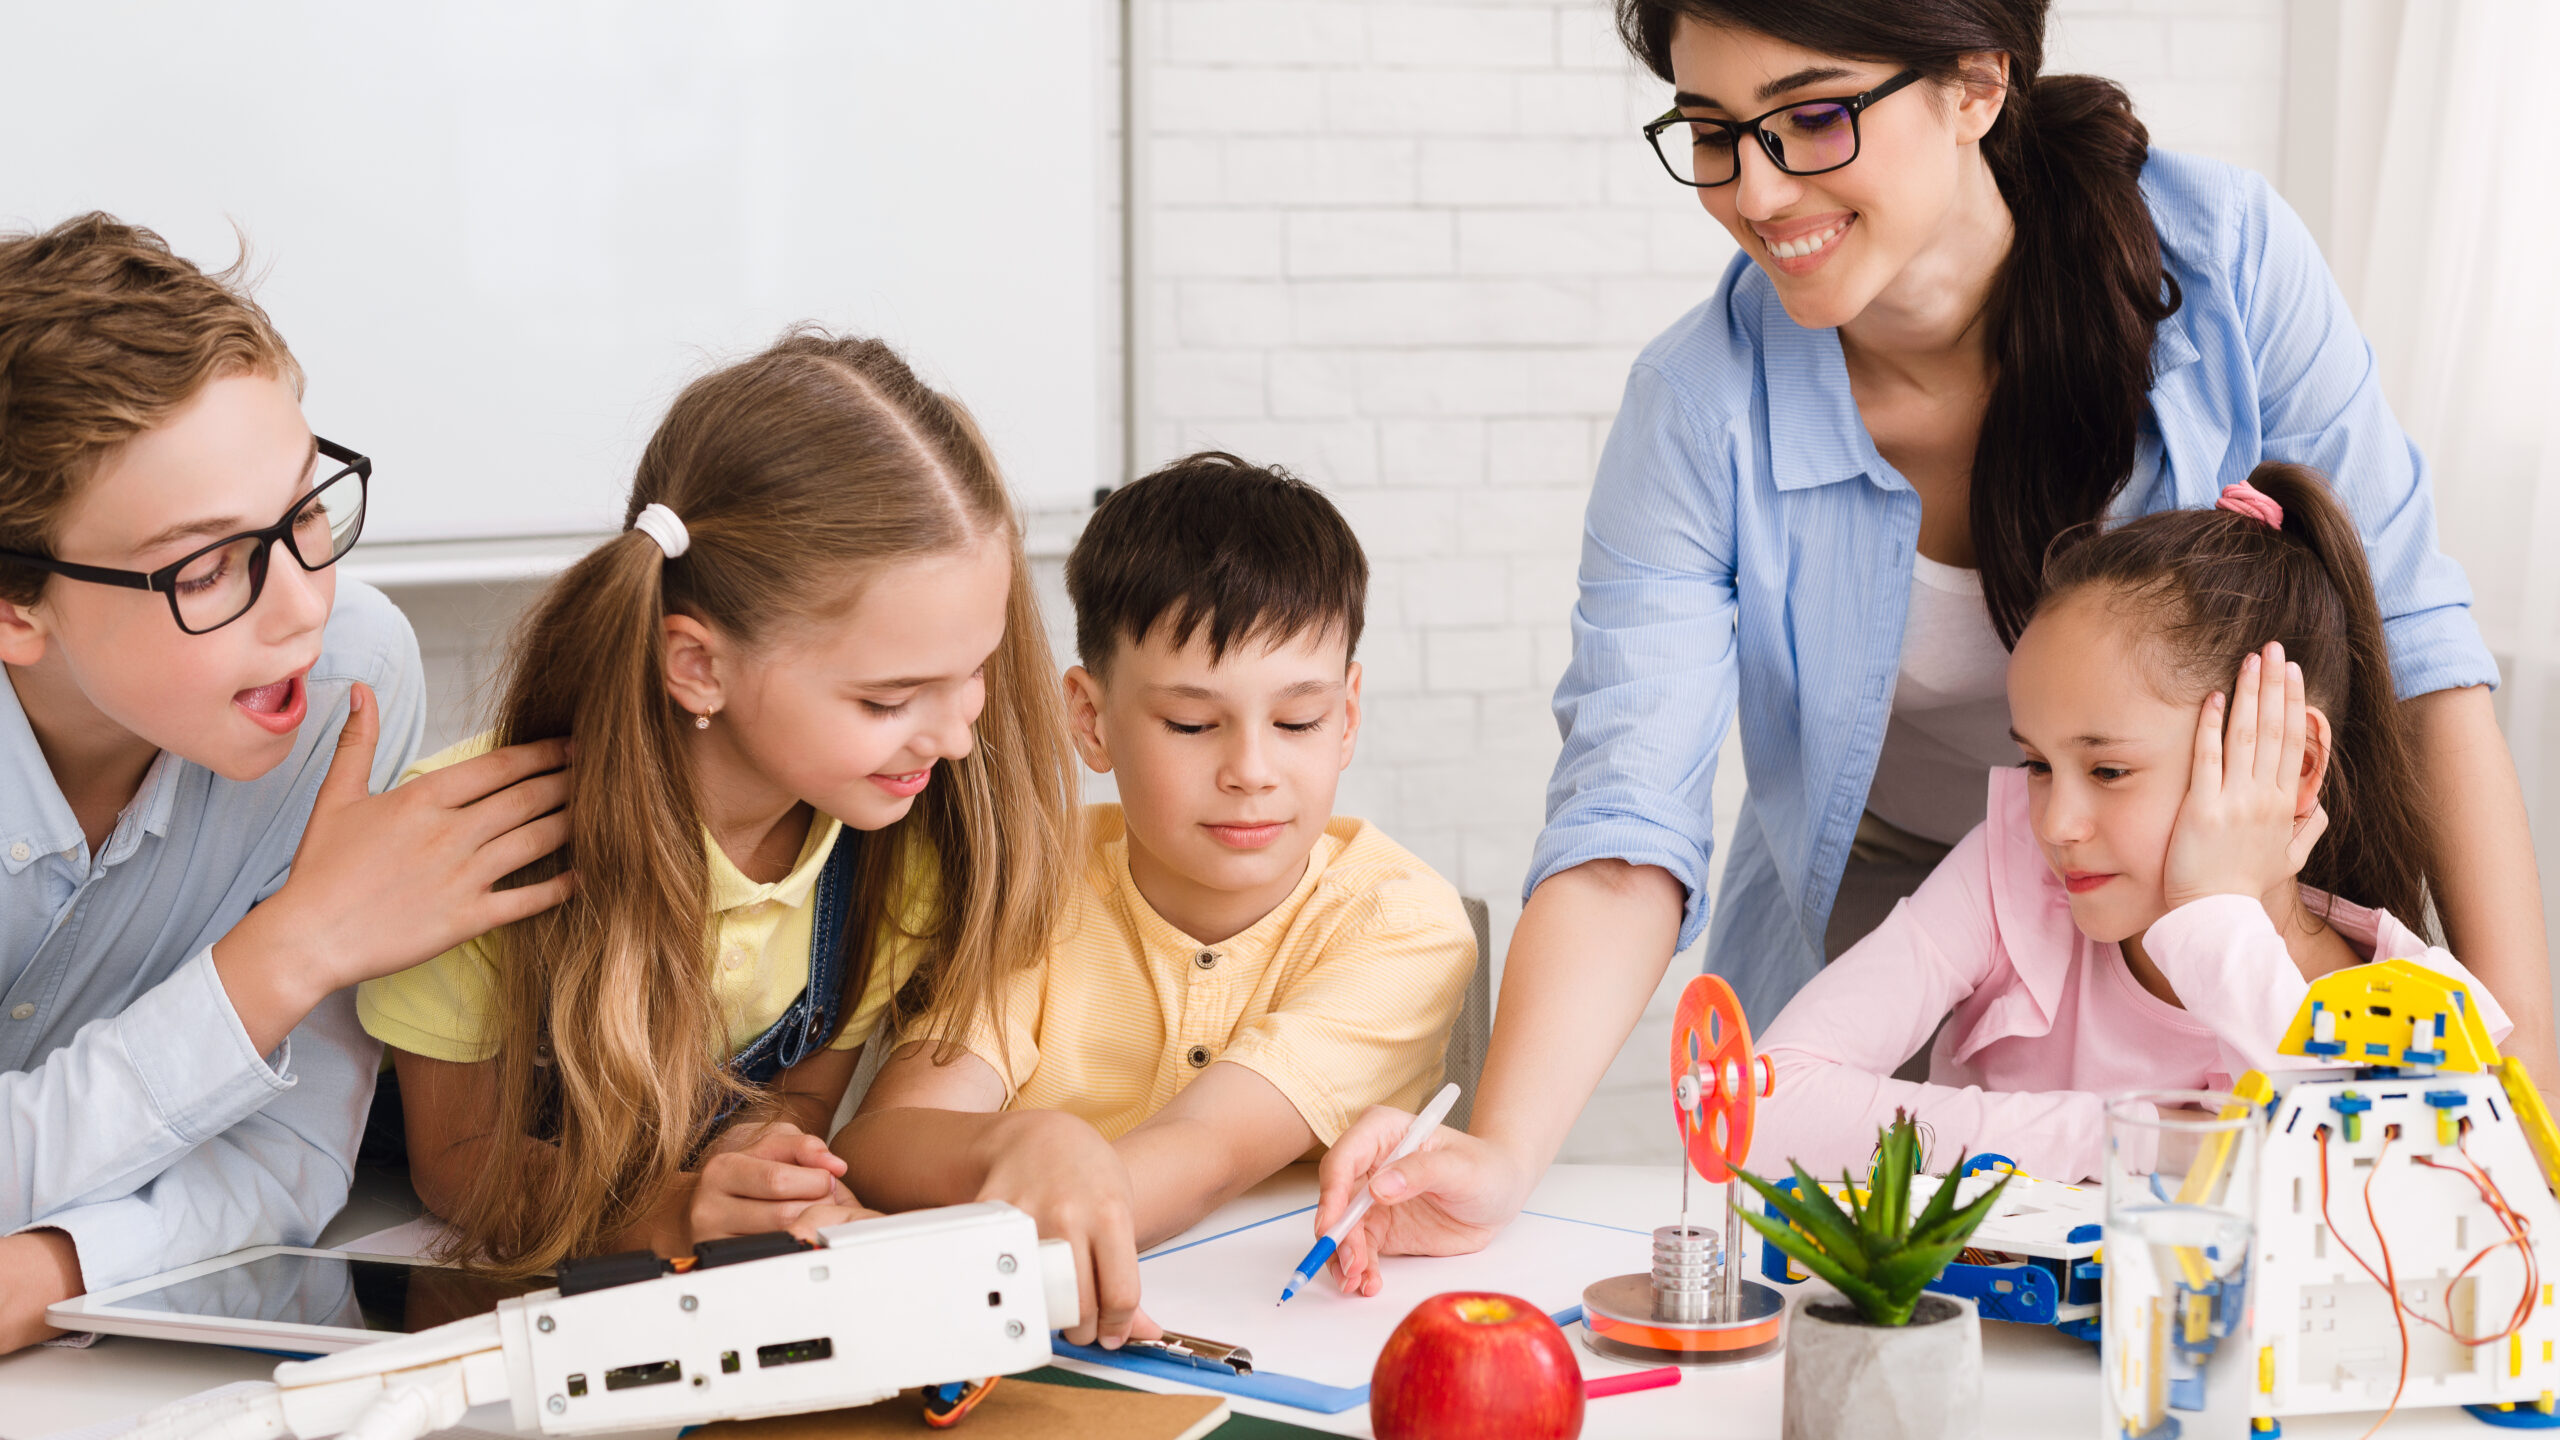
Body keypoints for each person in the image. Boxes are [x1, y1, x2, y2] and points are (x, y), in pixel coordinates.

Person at [1315, 0, 2552, 1287]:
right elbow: (1627, 822)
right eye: (1710, 133)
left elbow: (2415, 654)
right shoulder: (1698, 407)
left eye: (1810, 117)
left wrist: (2532, 1123)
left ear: (1975, 83)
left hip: (2218, 874)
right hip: (1895, 878)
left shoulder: (2223, 261)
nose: (1754, 188)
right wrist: (1506, 1151)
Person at [354, 331, 1081, 1292]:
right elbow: (461, 1173)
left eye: (974, 671)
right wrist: (668, 1212)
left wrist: (769, 1186)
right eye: (887, 700)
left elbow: (789, 1110)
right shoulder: (475, 844)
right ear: (698, 665)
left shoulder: (899, 859)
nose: (953, 740)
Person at [0, 214, 572, 1352]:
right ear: (17, 609)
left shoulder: (349, 676)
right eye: (208, 567)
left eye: (305, 513)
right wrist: (289, 952)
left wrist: (51, 1269)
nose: (304, 603)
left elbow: (290, 1159)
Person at [832, 453, 1475, 1347]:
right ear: (1091, 720)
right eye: (1191, 724)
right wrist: (1014, 1151)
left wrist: (1027, 1190)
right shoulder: (1033, 879)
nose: (1251, 771)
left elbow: (1209, 1153)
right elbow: (880, 1144)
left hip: (1291, 1337)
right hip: (1036, 1337)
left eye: (1297, 722)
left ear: (1349, 715)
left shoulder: (1400, 924)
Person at [1753, 467, 2510, 1181]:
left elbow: (2387, 1201)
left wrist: (2217, 919)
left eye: (2109, 771)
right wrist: (2133, 1136)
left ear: (2296, 766)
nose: (2056, 823)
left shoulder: (2409, 1010)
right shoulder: (2012, 869)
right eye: (2039, 764)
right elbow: (1762, 1104)